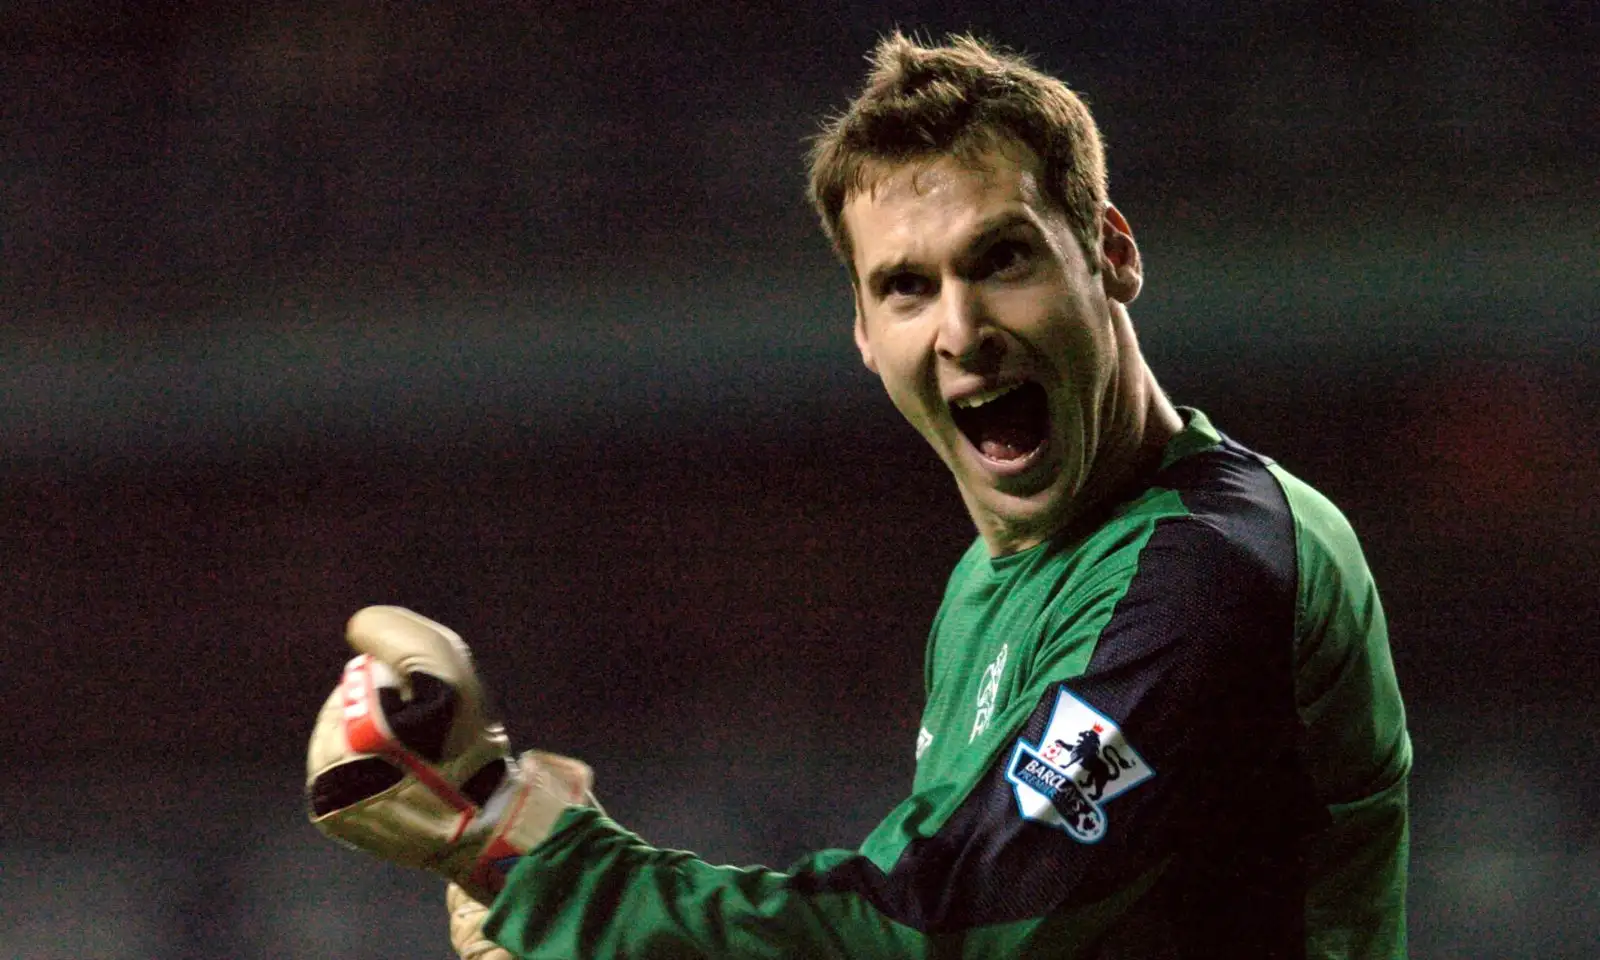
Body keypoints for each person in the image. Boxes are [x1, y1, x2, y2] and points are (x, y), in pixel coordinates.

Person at [306, 32, 1410, 959]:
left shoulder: (1211, 570)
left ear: (1110, 254)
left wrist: (525, 855)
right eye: (907, 286)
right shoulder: (997, 581)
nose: (963, 330)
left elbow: (936, 927)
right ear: (865, 335)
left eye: (1004, 260)